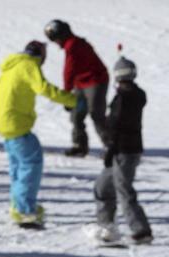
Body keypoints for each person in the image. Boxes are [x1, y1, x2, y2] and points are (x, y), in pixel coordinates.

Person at [0, 41, 77, 228]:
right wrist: (73, 100)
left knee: (18, 165)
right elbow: (44, 88)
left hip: (4, 122)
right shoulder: (28, 64)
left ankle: (18, 205)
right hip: (16, 123)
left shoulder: (11, 66)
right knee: (32, 162)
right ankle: (24, 210)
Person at [92, 57, 150, 245]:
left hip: (123, 151)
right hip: (124, 150)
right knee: (103, 186)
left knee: (123, 190)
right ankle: (106, 225)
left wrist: (109, 143)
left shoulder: (124, 98)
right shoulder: (134, 95)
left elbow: (117, 125)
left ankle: (140, 230)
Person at [44, 20, 108, 158]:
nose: (56, 43)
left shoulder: (73, 45)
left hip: (95, 81)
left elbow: (69, 71)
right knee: (77, 114)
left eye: (55, 39)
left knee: (96, 114)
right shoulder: (71, 44)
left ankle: (112, 147)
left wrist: (66, 95)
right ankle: (79, 145)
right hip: (81, 84)